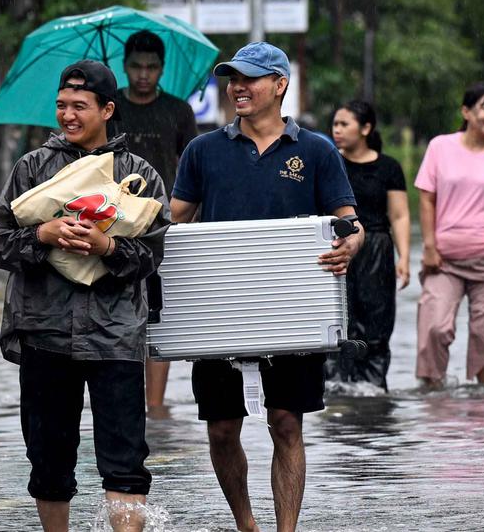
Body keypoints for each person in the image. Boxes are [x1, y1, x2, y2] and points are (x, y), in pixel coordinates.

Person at [170, 42, 362, 532]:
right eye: (232, 77)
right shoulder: (202, 151)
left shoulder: (316, 151)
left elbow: (350, 223)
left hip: (292, 312)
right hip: (219, 314)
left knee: (286, 423)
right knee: (220, 430)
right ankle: (246, 525)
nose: (238, 86)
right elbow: (171, 224)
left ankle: (286, 530)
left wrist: (351, 245)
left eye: (250, 78)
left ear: (280, 84)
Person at [0, 60, 171, 532]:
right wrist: (44, 233)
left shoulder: (140, 175)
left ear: (108, 109)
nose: (67, 115)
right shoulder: (31, 168)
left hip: (116, 336)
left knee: (125, 458)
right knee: (49, 461)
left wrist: (106, 245)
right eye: (61, 105)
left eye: (79, 106)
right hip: (44, 331)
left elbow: (152, 254)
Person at [415, 82, 484, 388]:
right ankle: (432, 400)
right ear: (466, 112)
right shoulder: (440, 147)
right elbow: (427, 198)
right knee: (435, 327)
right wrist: (429, 246)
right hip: (444, 258)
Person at [112, 29, 198, 416]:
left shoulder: (178, 111)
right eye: (136, 66)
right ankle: (123, 401)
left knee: (158, 315)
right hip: (112, 223)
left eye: (151, 67)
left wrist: (188, 222)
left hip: (164, 225)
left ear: (162, 68)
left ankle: (156, 408)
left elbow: (193, 169)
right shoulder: (109, 108)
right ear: (125, 67)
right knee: (117, 313)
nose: (144, 74)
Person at [327, 100, 410, 390]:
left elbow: (399, 216)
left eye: (344, 124)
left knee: (376, 320)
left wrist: (404, 257)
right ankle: (335, 389)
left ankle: (373, 388)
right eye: (335, 124)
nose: (336, 130)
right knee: (338, 320)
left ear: (365, 128)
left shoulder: (388, 167)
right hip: (338, 247)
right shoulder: (329, 163)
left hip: (377, 249)